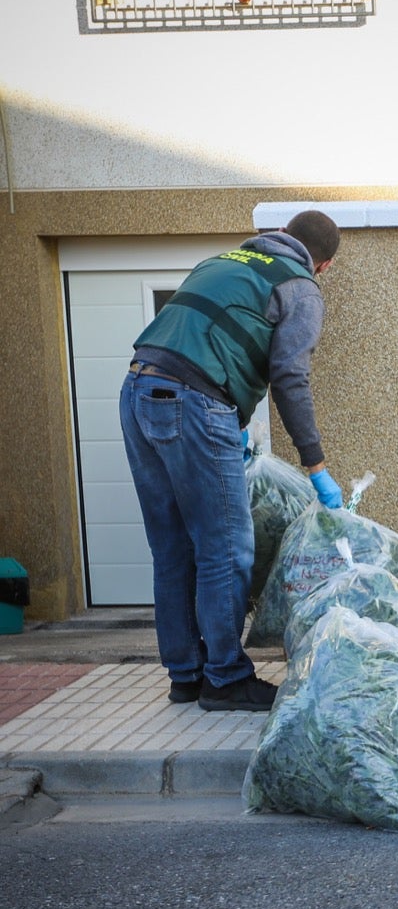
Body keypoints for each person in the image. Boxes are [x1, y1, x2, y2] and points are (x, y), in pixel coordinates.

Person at [120, 210, 345, 711]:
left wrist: (234, 419)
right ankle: (224, 679)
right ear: (323, 265)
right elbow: (289, 376)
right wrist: (316, 464)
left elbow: (209, 335)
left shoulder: (221, 260)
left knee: (173, 544)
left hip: (137, 389)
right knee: (226, 548)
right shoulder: (301, 286)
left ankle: (186, 675)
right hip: (193, 401)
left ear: (282, 234)